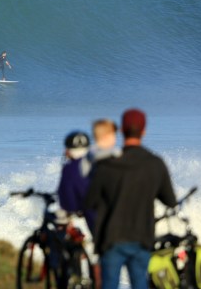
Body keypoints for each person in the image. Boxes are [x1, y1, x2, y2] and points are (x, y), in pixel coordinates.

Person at [85, 109, 177, 289]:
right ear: (144, 131)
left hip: (111, 238)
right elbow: (170, 201)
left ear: (121, 131)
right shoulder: (154, 163)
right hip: (142, 237)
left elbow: (89, 201)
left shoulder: (106, 165)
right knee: (140, 284)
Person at [57, 131, 94, 231]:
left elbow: (69, 205)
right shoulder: (104, 163)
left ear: (67, 150)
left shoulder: (70, 169)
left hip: (100, 226)